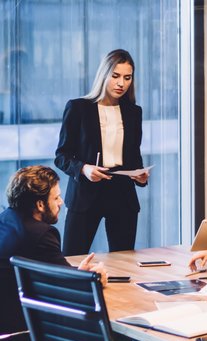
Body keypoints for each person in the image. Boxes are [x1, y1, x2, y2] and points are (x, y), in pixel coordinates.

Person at [0, 165, 106, 341]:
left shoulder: (6, 220)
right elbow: (70, 290)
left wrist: (76, 272)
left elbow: (52, 274)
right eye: (56, 197)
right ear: (39, 205)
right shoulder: (41, 234)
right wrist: (93, 277)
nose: (61, 203)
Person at [55, 49, 149, 256]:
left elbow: (134, 155)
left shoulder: (134, 112)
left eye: (127, 77)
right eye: (115, 76)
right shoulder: (78, 108)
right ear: (104, 75)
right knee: (72, 257)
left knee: (124, 261)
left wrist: (140, 175)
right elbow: (61, 156)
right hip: (86, 192)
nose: (121, 83)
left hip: (122, 193)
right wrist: (83, 169)